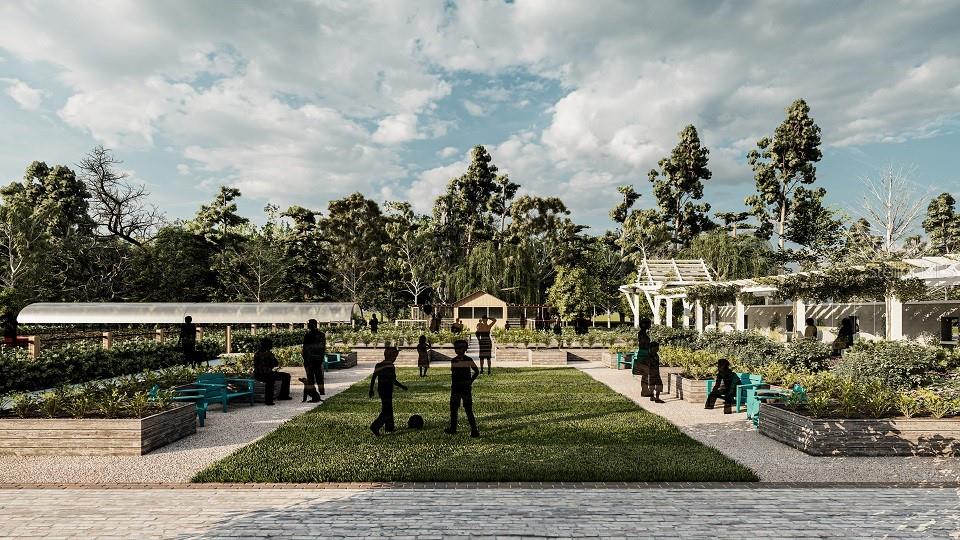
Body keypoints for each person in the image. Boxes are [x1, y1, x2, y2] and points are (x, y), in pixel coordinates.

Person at [369, 346, 408, 436]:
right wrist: (402, 386)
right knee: (387, 410)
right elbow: (393, 380)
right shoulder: (391, 366)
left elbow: (373, 377)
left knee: (387, 408)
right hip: (387, 389)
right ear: (391, 356)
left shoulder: (379, 365)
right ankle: (375, 426)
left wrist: (371, 389)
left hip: (381, 390)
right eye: (395, 356)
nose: (395, 358)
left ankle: (389, 427)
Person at [446, 339, 480, 437]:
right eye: (455, 348)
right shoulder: (454, 360)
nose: (456, 350)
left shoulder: (467, 360)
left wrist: (470, 381)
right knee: (454, 409)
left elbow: (476, 371)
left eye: (458, 348)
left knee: (468, 409)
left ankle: (474, 430)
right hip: (457, 387)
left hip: (464, 387)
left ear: (464, 349)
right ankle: (453, 428)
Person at [253, 338, 292, 405]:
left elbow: (257, 365)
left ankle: (275, 398)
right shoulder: (267, 354)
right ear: (268, 345)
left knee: (280, 376)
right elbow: (275, 363)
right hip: (265, 374)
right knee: (284, 376)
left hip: (260, 374)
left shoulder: (258, 353)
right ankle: (277, 398)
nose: (272, 346)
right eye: (271, 344)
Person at [299, 319, 325, 403]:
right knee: (319, 375)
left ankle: (313, 393)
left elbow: (306, 348)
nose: (308, 325)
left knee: (310, 377)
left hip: (310, 359)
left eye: (309, 324)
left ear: (312, 325)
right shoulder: (321, 335)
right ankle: (321, 391)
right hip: (318, 358)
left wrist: (305, 358)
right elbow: (323, 348)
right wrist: (321, 358)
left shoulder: (308, 335)